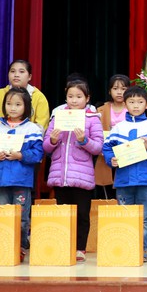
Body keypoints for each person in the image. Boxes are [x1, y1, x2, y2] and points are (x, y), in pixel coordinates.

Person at [102, 86, 147, 263]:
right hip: (123, 180)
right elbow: (107, 148)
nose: (136, 106)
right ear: (125, 104)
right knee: (124, 215)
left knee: (144, 218)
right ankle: (126, 249)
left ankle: (141, 250)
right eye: (131, 102)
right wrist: (110, 159)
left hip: (145, 180)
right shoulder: (118, 128)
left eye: (140, 102)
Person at [43, 80, 105, 262]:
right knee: (63, 213)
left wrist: (84, 140)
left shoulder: (92, 119)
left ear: (87, 98)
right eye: (70, 96)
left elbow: (98, 147)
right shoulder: (57, 117)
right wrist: (52, 140)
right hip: (60, 174)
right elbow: (45, 147)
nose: (74, 100)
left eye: (79, 96)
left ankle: (80, 248)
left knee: (82, 215)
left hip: (82, 176)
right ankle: (65, 245)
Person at [0, 88, 44, 258]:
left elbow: (38, 154)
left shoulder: (32, 129)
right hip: (0, 181)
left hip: (21, 180)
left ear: (26, 106)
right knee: (4, 214)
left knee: (22, 216)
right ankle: (6, 246)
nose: (13, 108)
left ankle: (21, 246)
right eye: (9, 104)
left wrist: (21, 155)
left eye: (18, 104)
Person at [0, 60, 50, 130]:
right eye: (12, 71)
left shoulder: (39, 97)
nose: (16, 75)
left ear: (29, 77)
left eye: (21, 72)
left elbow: (41, 127)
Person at [94, 75, 129, 200]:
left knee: (125, 192)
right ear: (109, 91)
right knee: (107, 193)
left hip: (127, 154)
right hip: (106, 156)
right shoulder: (101, 110)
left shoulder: (133, 109)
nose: (119, 92)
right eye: (115, 88)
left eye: (123, 89)